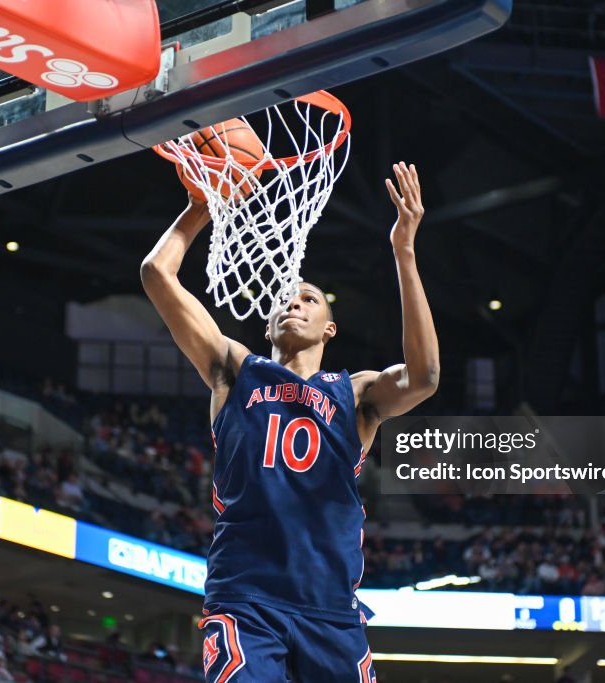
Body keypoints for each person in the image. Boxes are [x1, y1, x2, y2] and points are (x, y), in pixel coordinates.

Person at [141, 162, 438, 681]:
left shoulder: (356, 393)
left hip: (330, 611)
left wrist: (404, 251)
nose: (295, 302)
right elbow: (156, 274)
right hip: (247, 599)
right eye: (286, 297)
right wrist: (198, 210)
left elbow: (426, 375)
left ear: (329, 329)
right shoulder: (235, 371)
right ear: (269, 321)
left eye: (310, 299)